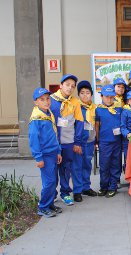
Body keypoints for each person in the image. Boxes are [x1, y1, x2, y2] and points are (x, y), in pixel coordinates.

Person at [50, 74, 83, 205]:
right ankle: (51, 194)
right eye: (67, 85)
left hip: (68, 142)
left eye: (73, 86)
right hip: (53, 143)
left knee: (66, 168)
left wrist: (77, 142)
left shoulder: (75, 102)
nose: (70, 88)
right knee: (52, 169)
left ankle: (65, 193)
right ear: (61, 85)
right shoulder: (51, 99)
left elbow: (80, 122)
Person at [29, 88, 62, 217]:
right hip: (45, 155)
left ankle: (49, 204)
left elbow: (55, 134)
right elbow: (33, 140)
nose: (46, 101)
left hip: (53, 152)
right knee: (48, 182)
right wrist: (38, 158)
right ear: (35, 102)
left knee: (53, 181)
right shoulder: (36, 119)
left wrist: (58, 151)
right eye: (42, 99)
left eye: (48, 98)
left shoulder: (48, 114)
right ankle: (42, 207)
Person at [95, 85, 123, 198]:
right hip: (104, 142)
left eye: (111, 97)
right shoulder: (98, 109)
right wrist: (97, 140)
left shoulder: (119, 109)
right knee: (104, 164)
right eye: (106, 97)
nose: (109, 99)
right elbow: (97, 126)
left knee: (115, 164)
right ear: (102, 96)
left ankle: (113, 187)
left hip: (116, 141)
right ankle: (103, 187)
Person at [75, 80, 98, 197]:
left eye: (87, 92)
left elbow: (97, 125)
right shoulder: (76, 107)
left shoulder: (94, 108)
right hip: (78, 143)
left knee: (87, 165)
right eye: (82, 93)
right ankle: (77, 191)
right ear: (78, 94)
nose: (85, 95)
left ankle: (86, 187)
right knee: (77, 166)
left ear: (91, 94)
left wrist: (96, 140)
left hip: (90, 142)